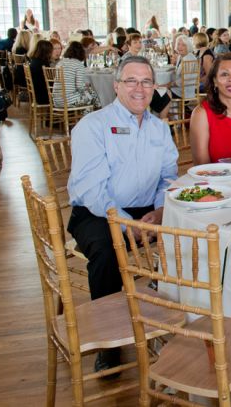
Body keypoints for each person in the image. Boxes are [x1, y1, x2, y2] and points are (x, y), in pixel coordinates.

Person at [66, 55, 177, 371]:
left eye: (146, 81)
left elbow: (168, 177)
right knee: (106, 250)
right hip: (96, 211)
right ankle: (108, 341)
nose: (139, 88)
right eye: (131, 80)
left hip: (145, 209)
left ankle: (169, 316)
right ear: (116, 85)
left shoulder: (159, 129)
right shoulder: (93, 126)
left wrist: (159, 210)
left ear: (154, 87)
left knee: (187, 232)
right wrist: (126, 224)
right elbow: (92, 190)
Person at [53, 41, 101, 110]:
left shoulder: (60, 63)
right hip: (69, 101)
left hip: (57, 101)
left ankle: (84, 117)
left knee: (89, 96)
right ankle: (94, 116)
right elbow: (79, 87)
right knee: (93, 96)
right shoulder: (78, 64)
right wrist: (87, 87)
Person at [169, 35, 198, 100]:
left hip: (184, 93)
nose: (180, 47)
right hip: (180, 89)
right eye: (178, 44)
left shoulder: (189, 59)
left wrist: (168, 85)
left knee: (159, 94)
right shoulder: (181, 56)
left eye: (183, 45)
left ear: (188, 47)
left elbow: (183, 80)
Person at [28, 39, 54, 105]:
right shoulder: (43, 64)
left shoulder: (34, 61)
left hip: (36, 93)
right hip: (44, 96)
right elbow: (50, 81)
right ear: (47, 51)